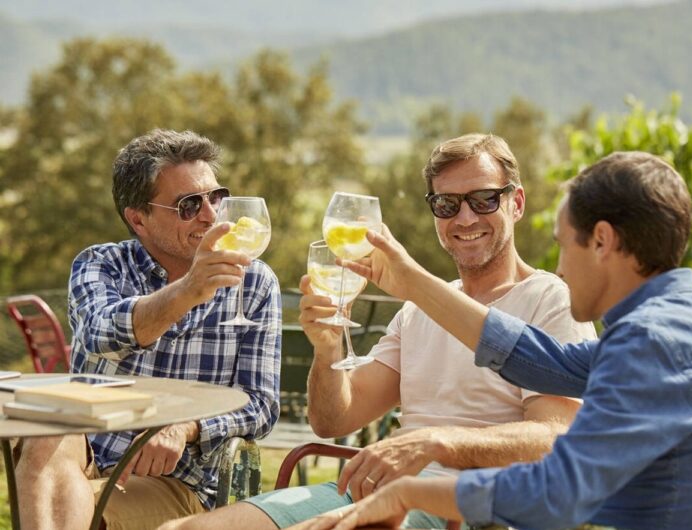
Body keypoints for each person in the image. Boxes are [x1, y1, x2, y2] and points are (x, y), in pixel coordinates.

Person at [161, 133, 596, 530]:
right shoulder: (418, 310)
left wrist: (437, 441)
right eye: (447, 204)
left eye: (483, 199)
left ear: (516, 203)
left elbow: (555, 436)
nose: (465, 217)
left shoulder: (549, 299)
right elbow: (333, 421)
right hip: (375, 492)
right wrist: (328, 349)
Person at [299, 151, 692, 530]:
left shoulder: (657, 342)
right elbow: (531, 356)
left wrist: (414, 482)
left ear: (602, 241)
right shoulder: (679, 321)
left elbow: (559, 489)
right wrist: (411, 283)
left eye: (562, 246)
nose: (559, 269)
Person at [14, 129, 282, 530]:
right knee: (45, 434)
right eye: (189, 205)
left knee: (70, 510)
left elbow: (259, 404)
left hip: (173, 480)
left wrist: (187, 426)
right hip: (88, 452)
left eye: (216, 198)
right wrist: (188, 290)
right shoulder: (101, 264)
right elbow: (100, 334)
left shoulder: (255, 282)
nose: (210, 215)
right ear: (138, 219)